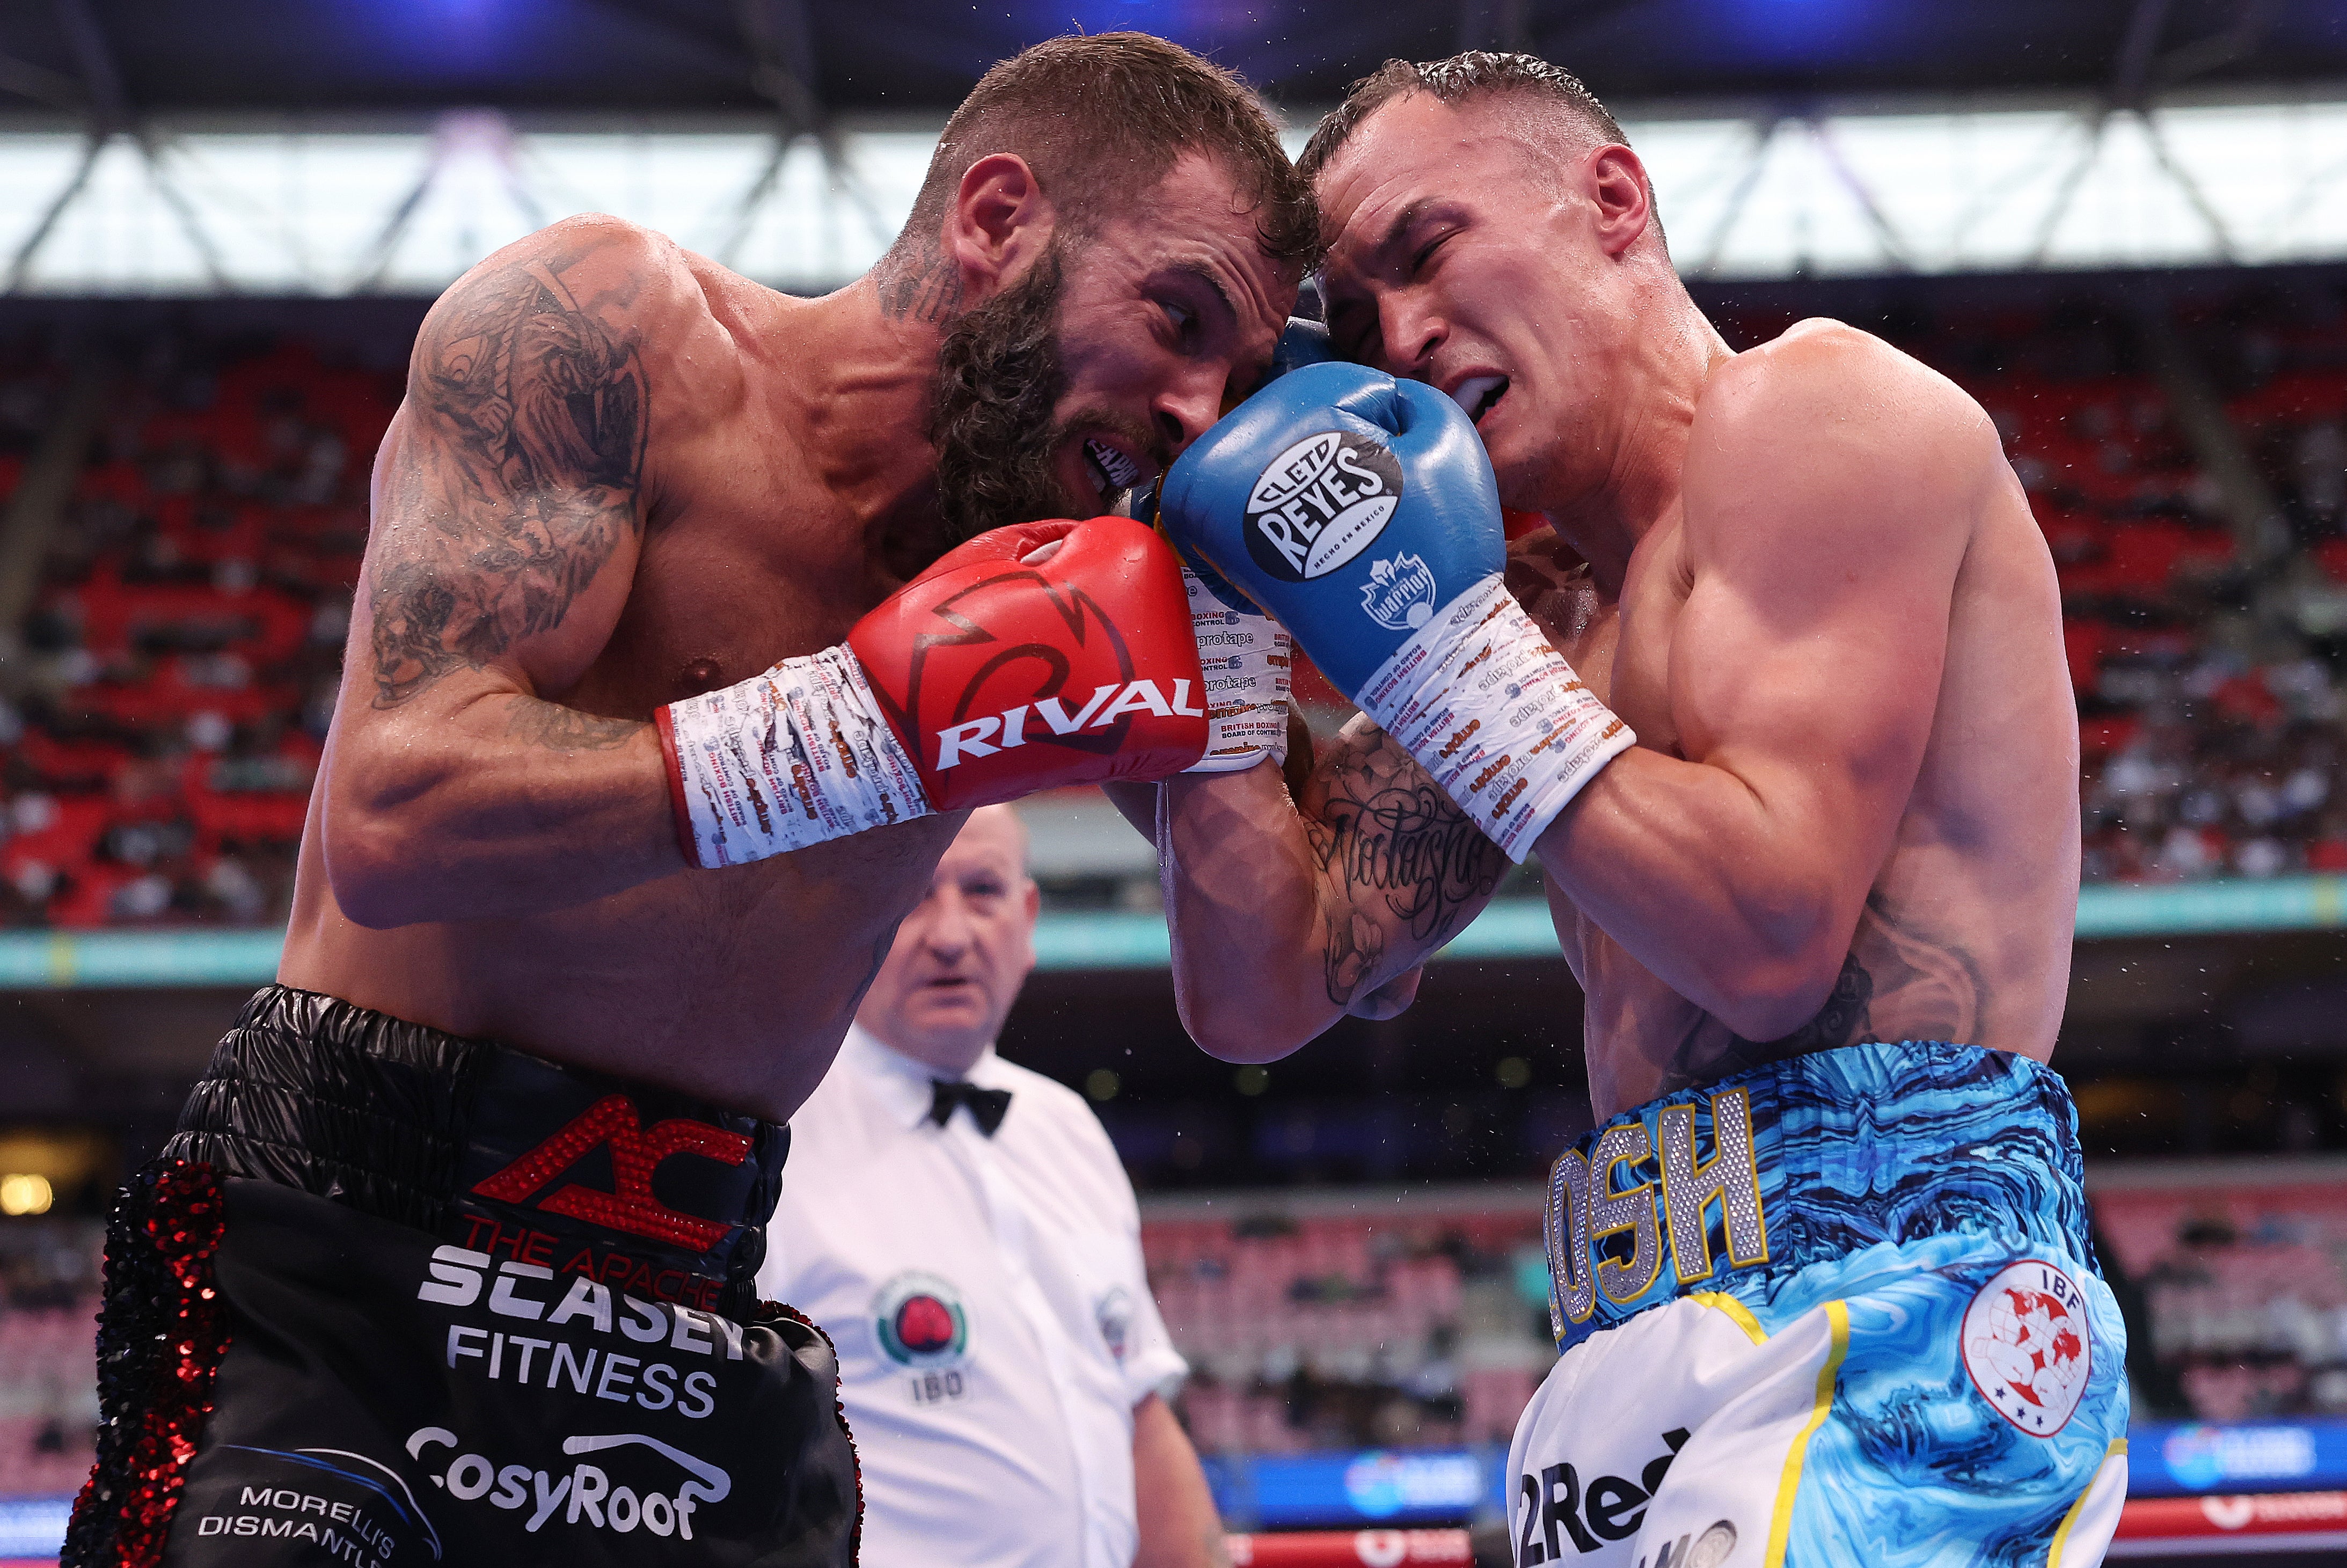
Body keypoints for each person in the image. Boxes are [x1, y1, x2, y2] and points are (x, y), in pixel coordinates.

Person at [64, 33, 1312, 1568]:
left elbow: (1272, 986)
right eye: (1174, 318)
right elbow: (395, 811)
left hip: (687, 1292)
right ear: (995, 219)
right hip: (357, 1256)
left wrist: (1457, 655)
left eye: (1237, 378)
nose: (1198, 410)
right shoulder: (610, 332)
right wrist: (855, 729)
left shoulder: (1064, 568)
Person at [1149, 51, 2129, 1568]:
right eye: (1354, 327)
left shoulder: (1817, 409)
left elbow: (1765, 938)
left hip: (1891, 1310)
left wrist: (1426, 649)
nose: (1401, 338)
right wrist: (1205, 625)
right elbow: (1260, 986)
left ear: (1610, 200)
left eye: (1427, 251)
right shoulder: (1523, 615)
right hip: (1625, 1335)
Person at [761, 805, 1223, 1568]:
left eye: (981, 890)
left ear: (1027, 916)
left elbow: (1137, 1410)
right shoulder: (779, 1138)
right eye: (913, 891)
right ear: (852, 910)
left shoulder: (1067, 1128)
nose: (950, 934)